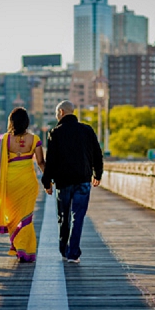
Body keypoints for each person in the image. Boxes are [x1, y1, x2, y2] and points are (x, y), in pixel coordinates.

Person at [41, 100, 103, 263]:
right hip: (83, 179)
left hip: (63, 182)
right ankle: (73, 252)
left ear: (61, 112)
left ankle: (64, 249)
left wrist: (47, 182)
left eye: (56, 113)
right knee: (79, 216)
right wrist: (98, 174)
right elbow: (97, 154)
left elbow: (51, 161)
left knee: (64, 216)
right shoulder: (87, 130)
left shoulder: (55, 133)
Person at [0, 107, 45, 262]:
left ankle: (19, 246)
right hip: (28, 182)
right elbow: (40, 162)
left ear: (11, 122)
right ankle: (24, 249)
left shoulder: (4, 140)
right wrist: (49, 179)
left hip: (10, 183)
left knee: (13, 217)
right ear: (27, 121)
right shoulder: (34, 139)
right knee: (26, 217)